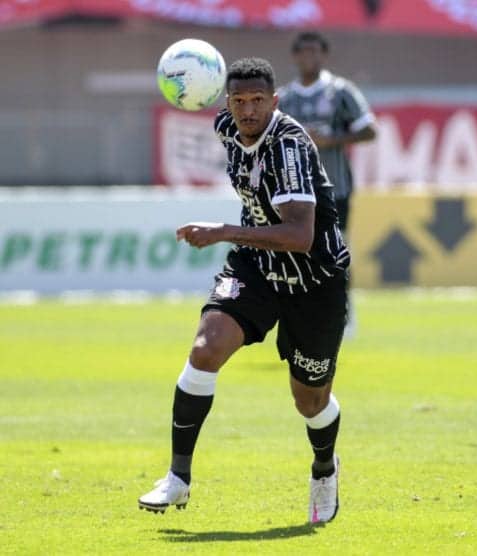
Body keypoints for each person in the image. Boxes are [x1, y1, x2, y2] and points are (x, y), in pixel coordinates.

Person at [138, 57, 350, 525]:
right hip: (257, 267)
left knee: (310, 401)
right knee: (205, 348)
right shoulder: (227, 125)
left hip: (314, 281)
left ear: (275, 101)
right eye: (238, 101)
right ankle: (177, 477)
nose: (248, 110)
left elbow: (300, 236)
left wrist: (222, 231)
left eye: (257, 101)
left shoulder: (289, 146)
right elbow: (203, 92)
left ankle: (324, 467)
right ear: (227, 102)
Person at [278, 31, 377, 335]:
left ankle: (343, 313)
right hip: (294, 192)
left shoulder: (340, 91)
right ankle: (301, 315)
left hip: (335, 188)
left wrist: (332, 140)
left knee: (336, 251)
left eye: (315, 51)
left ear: (324, 55)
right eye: (304, 51)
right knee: (296, 252)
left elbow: (369, 130)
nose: (310, 57)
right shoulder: (283, 98)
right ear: (295, 56)